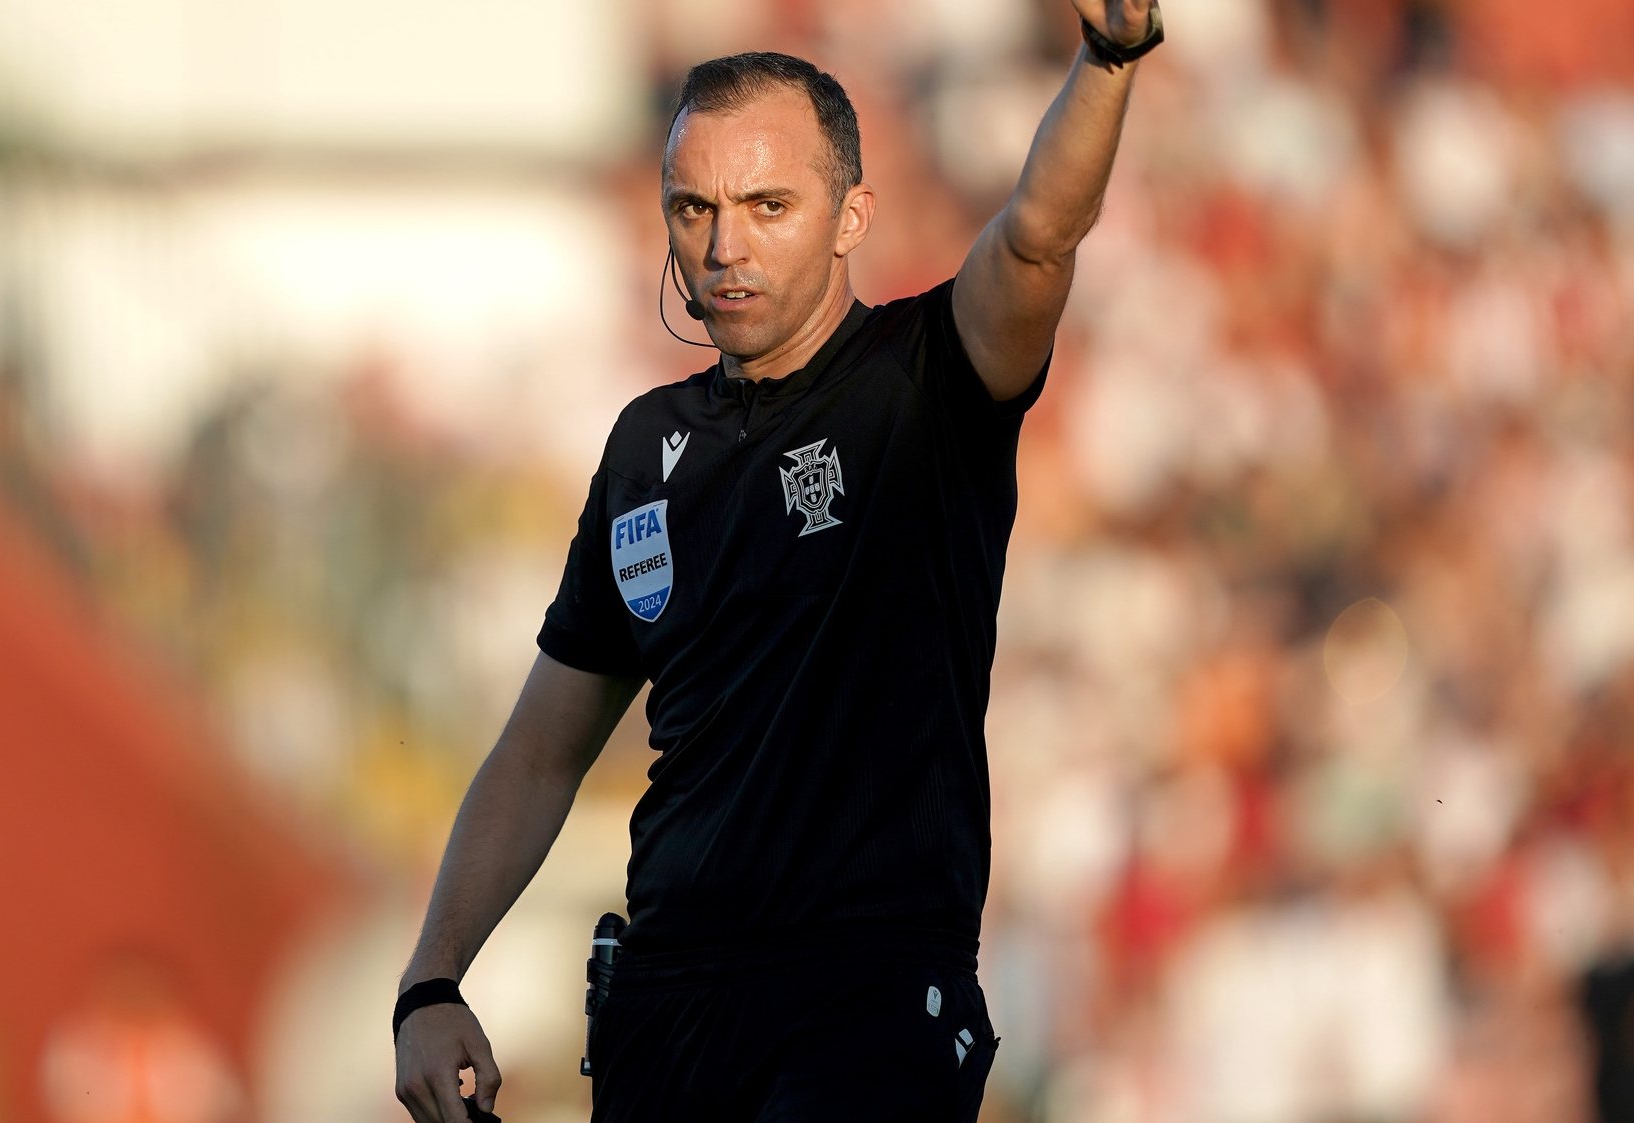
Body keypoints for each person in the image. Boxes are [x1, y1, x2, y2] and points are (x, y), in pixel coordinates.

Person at [393, 2, 1161, 1119]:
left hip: (868, 995)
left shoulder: (926, 383)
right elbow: (539, 754)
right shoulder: (644, 450)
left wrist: (1105, 56)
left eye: (767, 206)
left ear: (850, 216)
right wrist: (431, 980)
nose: (723, 245)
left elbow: (1037, 234)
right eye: (692, 208)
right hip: (669, 1001)